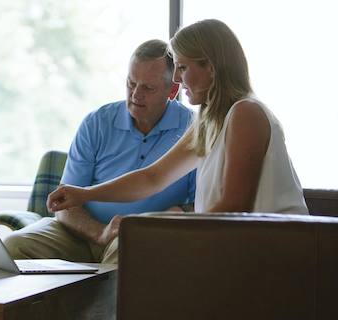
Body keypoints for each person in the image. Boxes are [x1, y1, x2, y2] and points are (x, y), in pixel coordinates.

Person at [48, 19, 308, 220]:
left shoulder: (246, 113)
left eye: (182, 67)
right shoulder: (210, 121)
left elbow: (234, 209)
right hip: (237, 245)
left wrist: (171, 232)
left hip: (275, 251)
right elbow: (152, 178)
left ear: (212, 68)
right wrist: (83, 193)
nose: (176, 80)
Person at [3, 39, 196, 264]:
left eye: (147, 88)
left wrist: (171, 215)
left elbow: (197, 207)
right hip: (80, 233)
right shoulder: (97, 122)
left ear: (172, 90)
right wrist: (100, 233)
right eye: (131, 83)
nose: (135, 95)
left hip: (139, 237)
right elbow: (66, 204)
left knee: (130, 247)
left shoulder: (192, 130)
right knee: (13, 246)